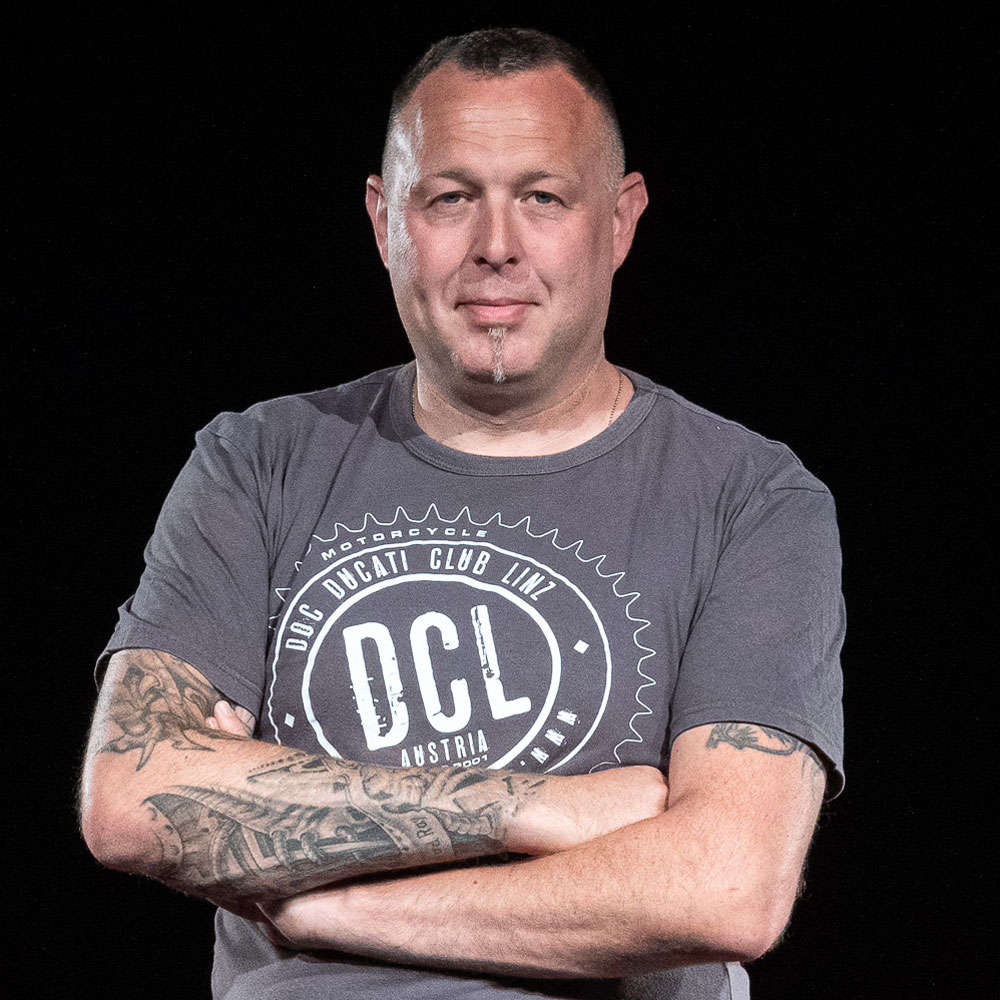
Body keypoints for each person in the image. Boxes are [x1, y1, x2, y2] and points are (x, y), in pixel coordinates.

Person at [80, 27, 844, 1000]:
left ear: (619, 220)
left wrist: (327, 905)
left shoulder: (750, 496)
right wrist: (554, 811)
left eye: (543, 197)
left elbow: (726, 887)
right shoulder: (258, 460)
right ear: (383, 220)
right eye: (449, 198)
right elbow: (133, 799)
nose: (496, 246)